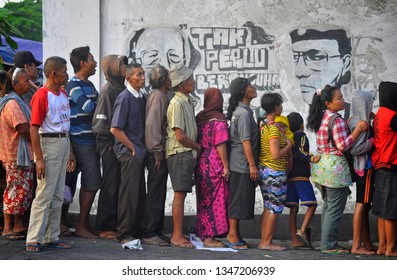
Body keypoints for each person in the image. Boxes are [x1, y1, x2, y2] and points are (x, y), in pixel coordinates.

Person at [307, 85, 368, 254]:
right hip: (335, 168)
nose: (343, 100)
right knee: (334, 208)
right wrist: (358, 129)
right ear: (328, 103)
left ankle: (327, 242)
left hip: (322, 167)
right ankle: (329, 245)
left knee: (329, 206)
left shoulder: (323, 117)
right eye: (339, 98)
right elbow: (343, 145)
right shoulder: (337, 120)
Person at [26, 56, 75, 253]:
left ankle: (50, 236)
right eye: (64, 71)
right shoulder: (42, 95)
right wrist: (39, 159)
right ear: (54, 73)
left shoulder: (62, 94)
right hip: (49, 143)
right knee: (45, 193)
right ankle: (33, 238)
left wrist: (70, 151)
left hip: (62, 142)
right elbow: (33, 128)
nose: (67, 74)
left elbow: (65, 126)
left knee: (56, 195)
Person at [66, 46, 101, 239]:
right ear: (83, 63)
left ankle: (83, 224)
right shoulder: (74, 85)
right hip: (81, 140)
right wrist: (105, 103)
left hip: (89, 140)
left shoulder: (88, 85)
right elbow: (90, 108)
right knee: (91, 181)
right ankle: (80, 225)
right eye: (92, 59)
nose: (95, 63)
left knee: (91, 182)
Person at [92, 54, 128, 240]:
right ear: (112, 69)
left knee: (119, 185)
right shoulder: (108, 91)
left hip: (119, 147)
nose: (125, 66)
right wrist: (108, 145)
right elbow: (101, 123)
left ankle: (115, 224)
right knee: (110, 184)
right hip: (110, 147)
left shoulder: (120, 88)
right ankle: (105, 226)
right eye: (121, 64)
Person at [110, 63, 146, 244]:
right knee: (128, 194)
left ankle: (134, 231)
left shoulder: (141, 96)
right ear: (129, 78)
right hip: (129, 152)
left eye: (143, 74)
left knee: (138, 194)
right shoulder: (124, 98)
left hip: (138, 152)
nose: (143, 78)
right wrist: (131, 147)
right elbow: (115, 129)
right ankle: (123, 233)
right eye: (139, 75)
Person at [166, 63, 200, 248]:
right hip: (180, 152)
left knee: (182, 194)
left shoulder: (186, 101)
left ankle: (178, 234)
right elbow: (180, 136)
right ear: (181, 84)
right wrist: (198, 147)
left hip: (186, 152)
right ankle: (176, 235)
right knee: (179, 195)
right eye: (190, 79)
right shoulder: (177, 103)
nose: (193, 82)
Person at [225, 76, 259, 250]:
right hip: (241, 164)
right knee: (237, 200)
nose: (253, 87)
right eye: (250, 86)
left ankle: (235, 234)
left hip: (239, 162)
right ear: (244, 92)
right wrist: (252, 165)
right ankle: (232, 235)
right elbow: (245, 141)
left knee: (239, 199)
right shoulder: (243, 114)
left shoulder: (243, 111)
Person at [0, 67, 34, 240]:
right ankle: (8, 228)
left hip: (19, 154)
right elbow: (23, 128)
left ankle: (18, 224)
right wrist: (36, 143)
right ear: (14, 84)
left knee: (21, 190)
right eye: (25, 81)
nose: (29, 84)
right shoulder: (13, 104)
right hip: (15, 154)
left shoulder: (19, 100)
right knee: (14, 189)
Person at [257, 93, 293, 251]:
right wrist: (289, 146)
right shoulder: (272, 129)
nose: (282, 107)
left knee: (268, 206)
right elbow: (275, 154)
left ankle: (264, 240)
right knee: (274, 207)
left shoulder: (264, 125)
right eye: (280, 104)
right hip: (274, 171)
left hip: (265, 170)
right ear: (276, 107)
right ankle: (266, 242)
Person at [194, 88, 229, 248]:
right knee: (216, 200)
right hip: (215, 163)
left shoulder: (199, 118)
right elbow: (220, 144)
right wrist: (226, 166)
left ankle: (203, 233)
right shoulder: (219, 120)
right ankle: (209, 237)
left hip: (201, 163)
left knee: (203, 200)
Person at [290, 28, 352, 116]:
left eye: (316, 57)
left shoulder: (353, 116)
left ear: (345, 63)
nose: (299, 72)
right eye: (296, 57)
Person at [142, 64, 171, 246]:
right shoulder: (159, 96)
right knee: (155, 192)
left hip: (156, 151)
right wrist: (157, 151)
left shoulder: (157, 95)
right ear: (163, 80)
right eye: (168, 78)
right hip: (156, 153)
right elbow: (153, 125)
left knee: (158, 192)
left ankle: (156, 230)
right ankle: (150, 231)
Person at [348, 90, 377, 255]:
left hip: (359, 169)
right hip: (364, 168)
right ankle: (357, 245)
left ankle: (366, 242)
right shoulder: (362, 123)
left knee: (365, 205)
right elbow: (356, 149)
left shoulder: (353, 119)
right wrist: (372, 141)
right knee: (361, 204)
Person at [285, 112, 319, 249]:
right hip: (301, 176)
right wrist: (311, 158)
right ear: (301, 125)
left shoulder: (289, 138)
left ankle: (294, 240)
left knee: (293, 208)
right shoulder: (301, 136)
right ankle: (303, 230)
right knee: (312, 204)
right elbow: (301, 151)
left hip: (290, 176)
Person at [371, 81, 397, 257]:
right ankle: (391, 248)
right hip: (391, 166)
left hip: (380, 166)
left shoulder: (380, 113)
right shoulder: (393, 116)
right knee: (391, 212)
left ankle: (382, 246)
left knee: (382, 211)